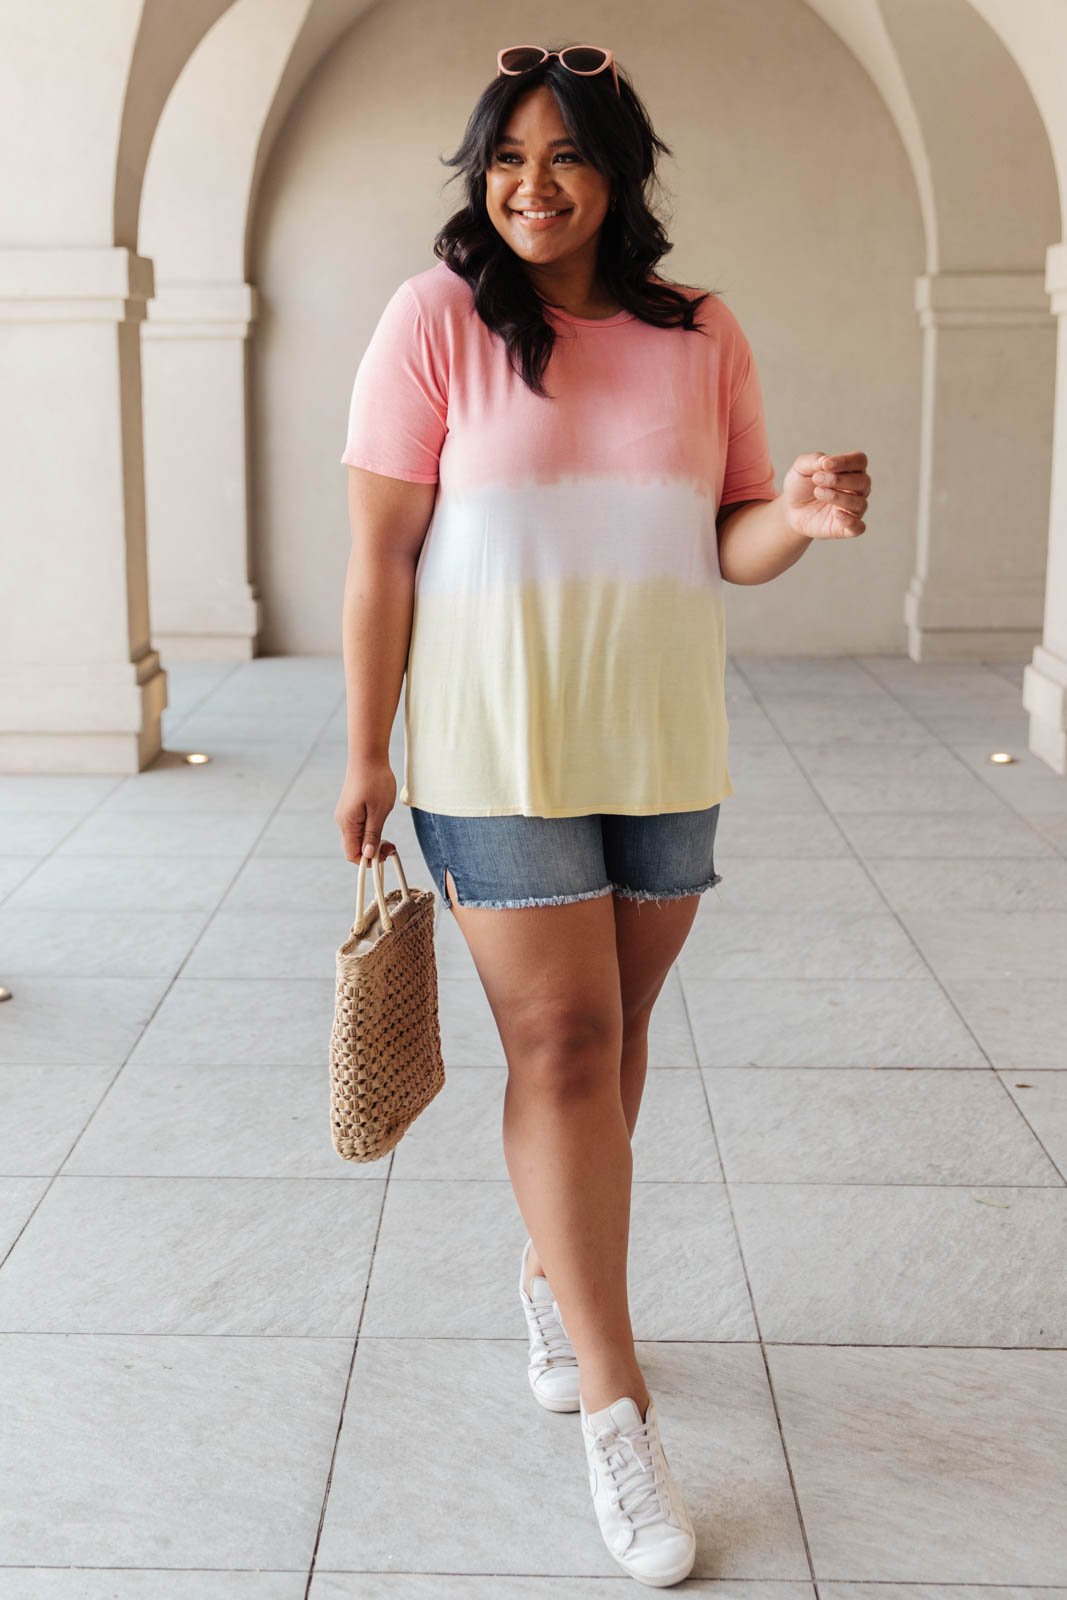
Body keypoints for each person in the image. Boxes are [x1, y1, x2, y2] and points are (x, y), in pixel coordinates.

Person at [334, 42, 871, 1589]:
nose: (531, 185)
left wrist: (808, 517)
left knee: (615, 1050)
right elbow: (378, 556)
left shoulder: (699, 333)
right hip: (494, 749)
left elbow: (731, 539)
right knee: (562, 1047)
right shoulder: (434, 320)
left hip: (661, 743)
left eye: (564, 157)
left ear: (620, 172)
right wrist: (366, 749)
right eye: (505, 158)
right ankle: (619, 1415)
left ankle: (549, 1274)